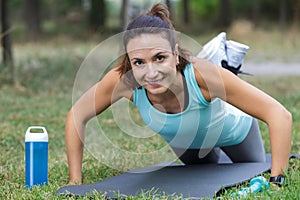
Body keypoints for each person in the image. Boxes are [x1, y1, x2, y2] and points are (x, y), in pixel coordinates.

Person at [65, 3, 292, 186]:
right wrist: (75, 180)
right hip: (188, 145)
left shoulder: (203, 75)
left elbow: (279, 115)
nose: (151, 72)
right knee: (202, 176)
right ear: (130, 62)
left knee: (252, 172)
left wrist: (276, 180)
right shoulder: (124, 81)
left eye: (159, 58)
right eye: (139, 62)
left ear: (175, 55)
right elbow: (76, 115)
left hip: (234, 132)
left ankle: (228, 65)